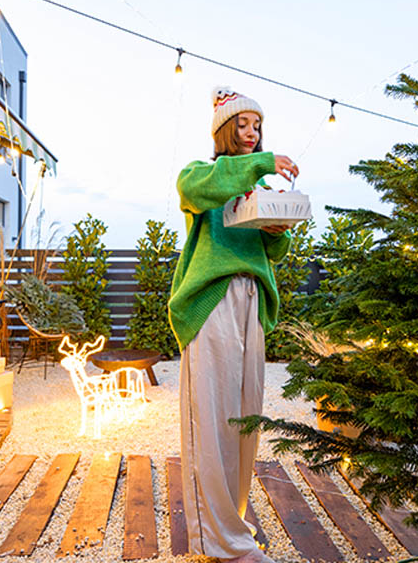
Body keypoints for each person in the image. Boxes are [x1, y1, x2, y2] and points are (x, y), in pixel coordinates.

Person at [168, 86, 299, 563]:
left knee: (244, 422)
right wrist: (263, 162)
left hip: (252, 302)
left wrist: (276, 230)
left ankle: (231, 529)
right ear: (225, 130)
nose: (252, 133)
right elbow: (200, 190)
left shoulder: (254, 189)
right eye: (243, 125)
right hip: (214, 301)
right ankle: (220, 543)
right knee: (212, 420)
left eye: (257, 126)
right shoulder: (201, 176)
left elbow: (270, 253)